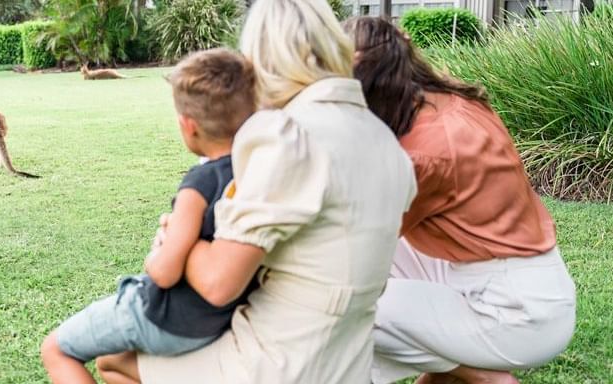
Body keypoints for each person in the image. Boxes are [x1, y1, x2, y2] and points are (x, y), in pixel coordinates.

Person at [93, 0, 417, 382]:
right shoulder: (385, 141)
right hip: (347, 359)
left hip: (280, 362)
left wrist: (177, 236)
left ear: (264, 57)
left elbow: (217, 284)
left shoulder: (286, 134)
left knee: (114, 359)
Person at [343, 17, 577, 384]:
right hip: (521, 282)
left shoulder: (422, 156)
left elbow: (356, 238)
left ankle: (481, 376)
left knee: (340, 308)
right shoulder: (450, 101)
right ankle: (457, 370)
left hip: (515, 313)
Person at [39, 48, 259, 384]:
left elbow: (164, 273)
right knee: (116, 361)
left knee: (56, 349)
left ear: (189, 126)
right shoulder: (255, 174)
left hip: (165, 317)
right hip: (213, 323)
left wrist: (155, 255)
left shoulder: (199, 182)